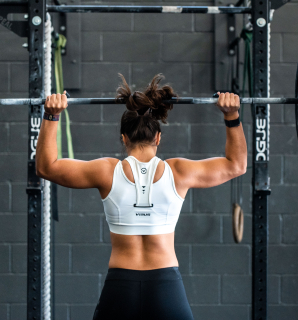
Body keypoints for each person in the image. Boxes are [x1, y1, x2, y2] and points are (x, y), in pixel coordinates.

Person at [36, 74, 247, 320]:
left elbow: (46, 167)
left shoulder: (107, 171)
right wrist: (232, 116)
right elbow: (236, 165)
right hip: (166, 286)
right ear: (158, 137)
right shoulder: (179, 172)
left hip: (120, 288)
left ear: (123, 138)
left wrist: (52, 116)